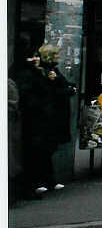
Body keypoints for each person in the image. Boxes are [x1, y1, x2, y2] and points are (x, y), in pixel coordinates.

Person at [18, 44, 76, 197]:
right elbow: (50, 92)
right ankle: (39, 182)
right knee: (40, 151)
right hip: (41, 118)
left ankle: (45, 181)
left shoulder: (42, 72)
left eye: (37, 56)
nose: (35, 59)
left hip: (45, 116)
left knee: (45, 150)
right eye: (32, 56)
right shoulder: (37, 73)